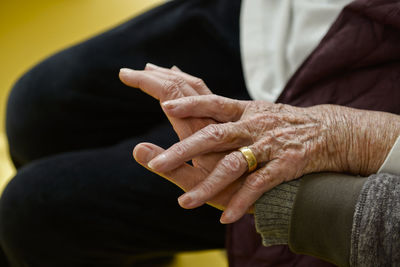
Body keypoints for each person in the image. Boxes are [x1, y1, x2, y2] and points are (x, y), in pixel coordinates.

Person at [0, 0, 399, 266]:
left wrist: (354, 136)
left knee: (29, 214)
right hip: (295, 15)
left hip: (372, 130)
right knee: (34, 107)